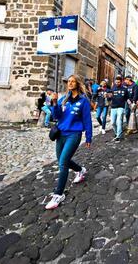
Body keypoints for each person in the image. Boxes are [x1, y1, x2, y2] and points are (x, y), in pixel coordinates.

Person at [46, 75, 92, 210]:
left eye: (73, 82)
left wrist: (88, 137)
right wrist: (54, 103)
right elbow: (56, 116)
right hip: (61, 134)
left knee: (63, 163)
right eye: (69, 82)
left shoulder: (83, 101)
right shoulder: (63, 99)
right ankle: (81, 170)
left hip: (74, 134)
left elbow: (87, 120)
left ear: (77, 84)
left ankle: (58, 194)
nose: (70, 83)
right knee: (62, 160)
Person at [109, 75, 129, 142]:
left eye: (119, 82)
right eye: (116, 82)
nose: (117, 83)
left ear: (121, 82)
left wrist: (130, 103)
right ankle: (116, 133)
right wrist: (108, 96)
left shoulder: (125, 89)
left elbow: (127, 98)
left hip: (121, 107)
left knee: (119, 121)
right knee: (112, 122)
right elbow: (109, 98)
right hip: (113, 107)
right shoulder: (113, 89)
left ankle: (118, 136)